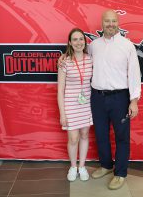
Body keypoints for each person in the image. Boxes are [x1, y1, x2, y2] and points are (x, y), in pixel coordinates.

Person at [58, 10, 141, 189]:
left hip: (120, 98)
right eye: (107, 21)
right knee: (101, 135)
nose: (110, 24)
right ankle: (105, 165)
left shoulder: (127, 46)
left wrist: (134, 100)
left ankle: (120, 173)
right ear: (102, 23)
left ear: (118, 23)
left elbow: (134, 74)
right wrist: (63, 59)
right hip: (96, 98)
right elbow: (78, 57)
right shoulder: (94, 45)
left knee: (121, 136)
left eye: (113, 21)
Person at [57, 28, 93, 182]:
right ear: (70, 43)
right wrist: (62, 114)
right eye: (75, 39)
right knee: (73, 138)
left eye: (81, 39)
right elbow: (60, 90)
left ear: (85, 42)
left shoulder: (90, 59)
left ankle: (82, 166)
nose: (79, 42)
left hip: (86, 105)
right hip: (70, 105)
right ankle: (73, 166)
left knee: (85, 135)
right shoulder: (64, 62)